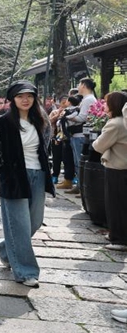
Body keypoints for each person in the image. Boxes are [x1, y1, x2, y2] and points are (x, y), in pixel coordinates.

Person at [0, 80, 55, 288]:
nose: (25, 99)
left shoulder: (41, 120)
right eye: (20, 96)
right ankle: (26, 271)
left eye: (29, 95)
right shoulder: (2, 123)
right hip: (14, 178)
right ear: (12, 99)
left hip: (38, 174)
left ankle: (4, 248)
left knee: (34, 222)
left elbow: (45, 148)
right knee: (19, 226)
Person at [92, 92, 127, 252]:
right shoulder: (122, 122)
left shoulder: (115, 123)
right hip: (121, 167)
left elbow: (99, 145)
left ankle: (119, 238)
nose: (104, 105)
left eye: (106, 102)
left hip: (117, 168)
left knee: (116, 204)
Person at [65, 78, 98, 194]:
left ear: (84, 85)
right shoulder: (88, 99)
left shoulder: (88, 99)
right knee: (77, 162)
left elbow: (82, 118)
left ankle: (81, 187)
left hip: (80, 135)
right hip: (79, 134)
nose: (78, 86)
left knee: (79, 162)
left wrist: (67, 117)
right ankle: (80, 186)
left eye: (79, 84)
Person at [49, 95, 75, 187]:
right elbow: (49, 122)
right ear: (59, 103)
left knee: (68, 159)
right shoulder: (54, 112)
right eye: (63, 103)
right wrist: (58, 114)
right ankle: (55, 175)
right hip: (56, 138)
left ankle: (71, 177)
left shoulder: (72, 112)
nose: (65, 105)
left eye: (66, 102)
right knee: (56, 157)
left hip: (67, 138)